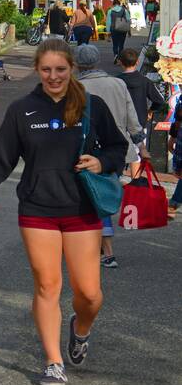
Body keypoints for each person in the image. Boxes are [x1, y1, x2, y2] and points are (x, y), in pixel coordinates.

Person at [0, 38, 129, 385]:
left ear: (71, 68)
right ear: (36, 70)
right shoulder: (22, 109)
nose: (54, 76)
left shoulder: (92, 105)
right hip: (37, 209)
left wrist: (101, 160)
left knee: (89, 293)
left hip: (81, 209)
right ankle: (53, 362)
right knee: (47, 285)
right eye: (46, 69)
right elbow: (1, 156)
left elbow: (118, 147)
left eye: (60, 69)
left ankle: (80, 329)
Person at [75, 44, 142, 270]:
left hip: (87, 150)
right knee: (104, 193)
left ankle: (104, 250)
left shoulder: (76, 87)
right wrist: (139, 141)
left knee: (92, 196)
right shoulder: (118, 83)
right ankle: (102, 248)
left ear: (76, 63)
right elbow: (131, 114)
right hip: (116, 148)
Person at [115, 47, 167, 156]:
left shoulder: (116, 81)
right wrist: (150, 111)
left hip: (120, 122)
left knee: (119, 153)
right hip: (140, 122)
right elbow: (160, 101)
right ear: (137, 62)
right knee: (138, 154)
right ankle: (135, 173)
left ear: (120, 62)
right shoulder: (145, 81)